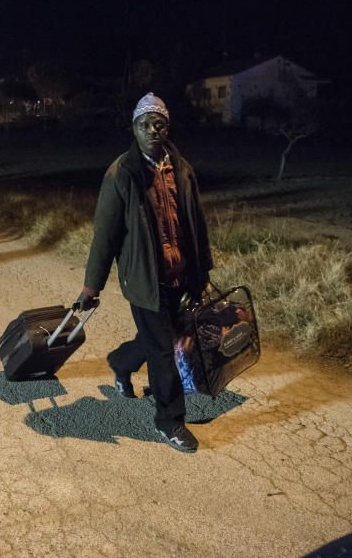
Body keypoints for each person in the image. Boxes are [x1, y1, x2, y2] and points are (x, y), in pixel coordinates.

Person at [75, 93, 213, 453]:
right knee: (164, 350)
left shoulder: (181, 169)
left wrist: (203, 269)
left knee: (160, 339)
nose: (152, 130)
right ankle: (169, 421)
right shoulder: (121, 173)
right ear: (133, 129)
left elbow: (197, 223)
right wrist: (92, 286)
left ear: (167, 127)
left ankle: (121, 362)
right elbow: (105, 235)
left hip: (182, 274)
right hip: (144, 280)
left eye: (159, 124)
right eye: (144, 124)